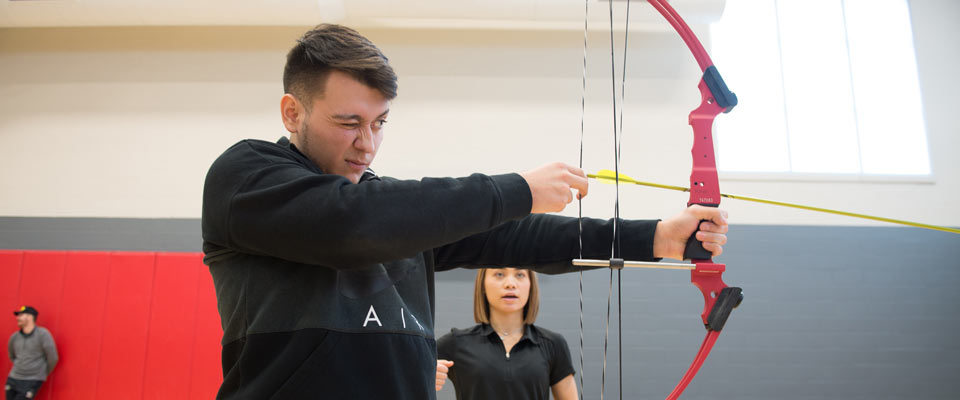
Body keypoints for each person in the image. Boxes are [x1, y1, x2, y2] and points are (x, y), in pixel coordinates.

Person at [201, 23, 728, 400]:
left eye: (380, 122)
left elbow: (517, 238)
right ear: (293, 112)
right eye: (348, 122)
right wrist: (517, 188)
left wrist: (656, 237)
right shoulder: (248, 176)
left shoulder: (395, 211)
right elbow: (350, 223)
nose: (367, 143)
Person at [436, 268, 577, 399]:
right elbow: (414, 375)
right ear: (483, 283)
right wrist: (425, 374)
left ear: (531, 285)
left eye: (520, 274)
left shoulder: (553, 344)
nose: (510, 284)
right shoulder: (457, 343)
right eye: (499, 274)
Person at [6, 306, 58, 400]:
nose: (18, 318)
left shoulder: (43, 334)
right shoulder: (14, 337)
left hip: (31, 380)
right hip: (13, 378)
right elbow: (12, 355)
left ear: (30, 317)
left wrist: (41, 373)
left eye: (21, 315)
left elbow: (53, 357)